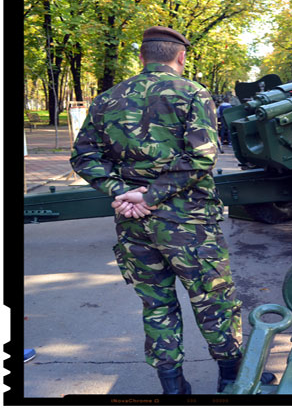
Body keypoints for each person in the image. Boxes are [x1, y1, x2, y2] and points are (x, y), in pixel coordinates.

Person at [70, 26, 247, 394]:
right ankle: (232, 379)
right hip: (190, 224)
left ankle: (172, 387)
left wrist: (121, 192)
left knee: (157, 305)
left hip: (134, 226)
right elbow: (202, 157)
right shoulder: (193, 93)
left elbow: (83, 156)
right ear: (179, 56)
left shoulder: (107, 99)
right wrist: (151, 196)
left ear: (142, 57)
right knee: (213, 300)